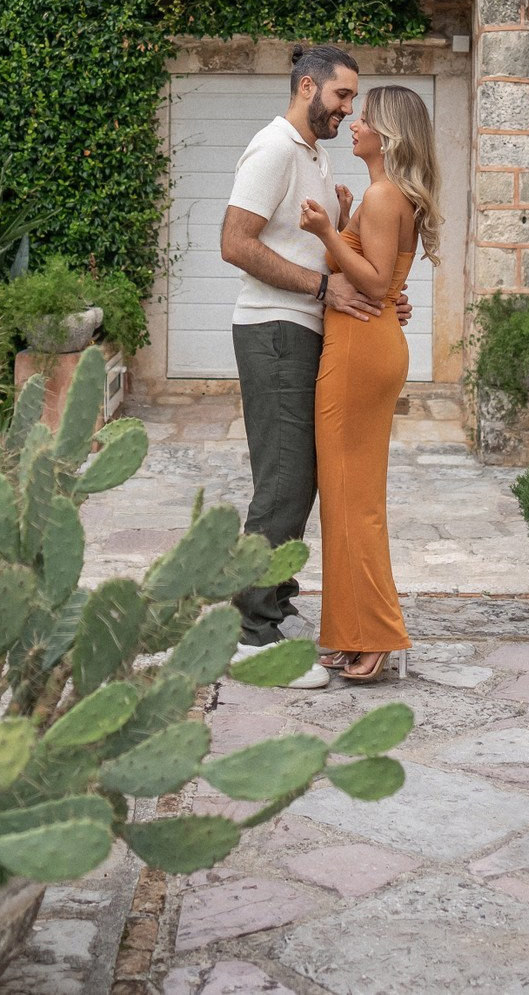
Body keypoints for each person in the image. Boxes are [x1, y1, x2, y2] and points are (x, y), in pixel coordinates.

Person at [218, 45, 407, 691]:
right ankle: (250, 636)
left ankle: (274, 605)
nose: (349, 108)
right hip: (273, 328)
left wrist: (379, 287)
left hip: (306, 330)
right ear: (308, 86)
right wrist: (321, 289)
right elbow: (234, 242)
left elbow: (338, 255)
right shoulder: (273, 149)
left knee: (301, 479)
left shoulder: (317, 158)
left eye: (354, 99)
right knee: (284, 480)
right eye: (343, 95)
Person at [298, 83, 436, 686]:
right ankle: (349, 630)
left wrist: (330, 234)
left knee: (353, 499)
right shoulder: (381, 197)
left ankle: (374, 634)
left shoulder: (385, 196)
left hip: (359, 351)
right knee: (348, 496)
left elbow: (377, 285)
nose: (353, 122)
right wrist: (347, 223)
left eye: (366, 117)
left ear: (389, 134)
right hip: (365, 345)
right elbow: (386, 283)